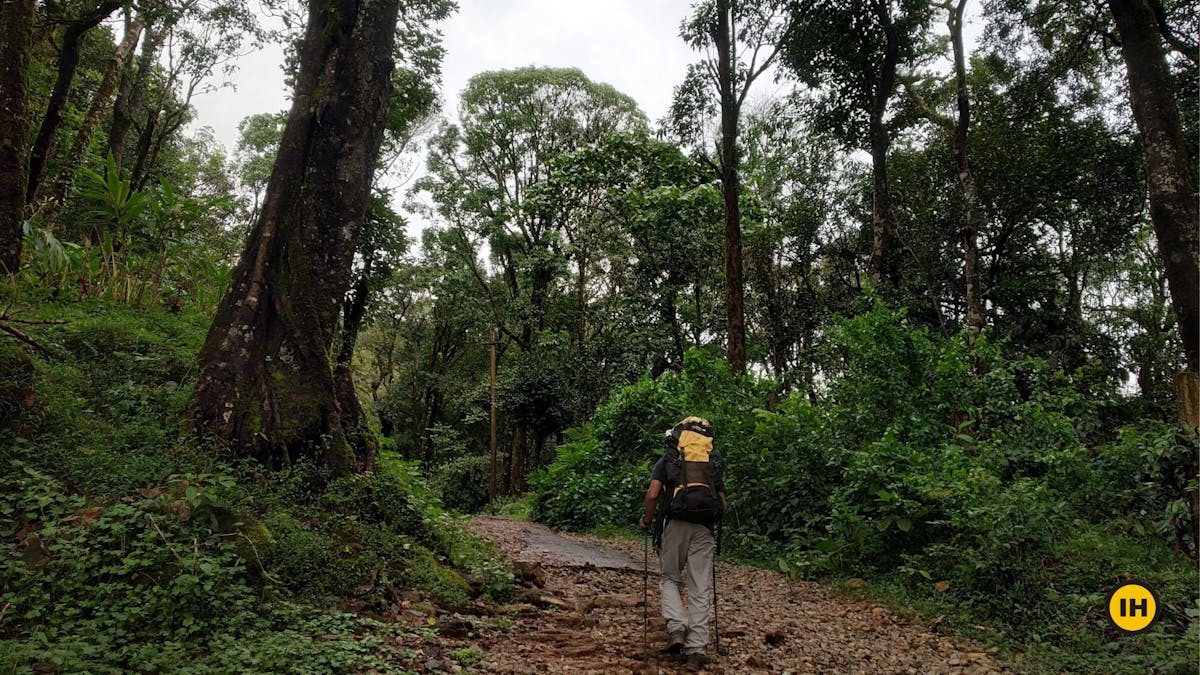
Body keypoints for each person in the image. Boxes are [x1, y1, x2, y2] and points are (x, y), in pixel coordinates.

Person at [638, 416, 725, 667]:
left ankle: (676, 628)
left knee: (669, 578)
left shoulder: (670, 457)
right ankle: (696, 649)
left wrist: (646, 519)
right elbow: (722, 502)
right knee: (699, 587)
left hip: (675, 524)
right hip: (705, 528)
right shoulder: (711, 461)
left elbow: (653, 493)